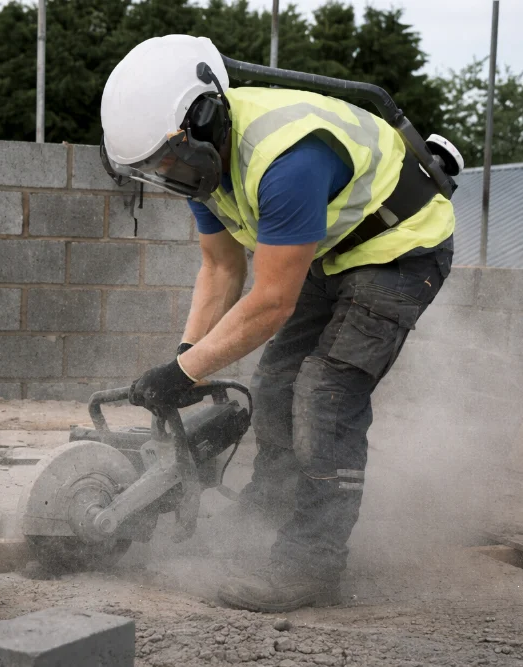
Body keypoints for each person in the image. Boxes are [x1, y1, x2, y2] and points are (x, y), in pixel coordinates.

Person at [100, 34, 459, 613]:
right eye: (154, 168)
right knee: (275, 385)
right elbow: (221, 268)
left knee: (325, 395)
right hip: (336, 246)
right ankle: (265, 518)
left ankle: (310, 564)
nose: (166, 174)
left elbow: (271, 303)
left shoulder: (287, 161)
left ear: (206, 118)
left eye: (168, 161)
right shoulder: (198, 162)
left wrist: (181, 375)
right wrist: (186, 359)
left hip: (401, 247)